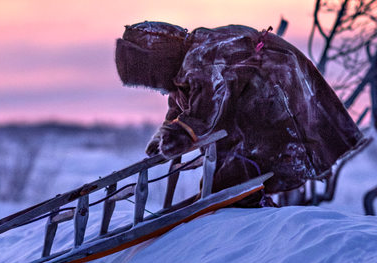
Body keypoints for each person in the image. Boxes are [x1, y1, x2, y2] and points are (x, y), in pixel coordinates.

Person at [115, 22, 364, 205]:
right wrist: (168, 131)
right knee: (228, 145)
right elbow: (184, 104)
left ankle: (240, 195)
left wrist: (184, 132)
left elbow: (212, 95)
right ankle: (234, 191)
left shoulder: (204, 56)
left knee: (241, 145)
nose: (155, 87)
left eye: (150, 80)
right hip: (255, 96)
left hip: (274, 89)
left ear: (158, 63)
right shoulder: (186, 68)